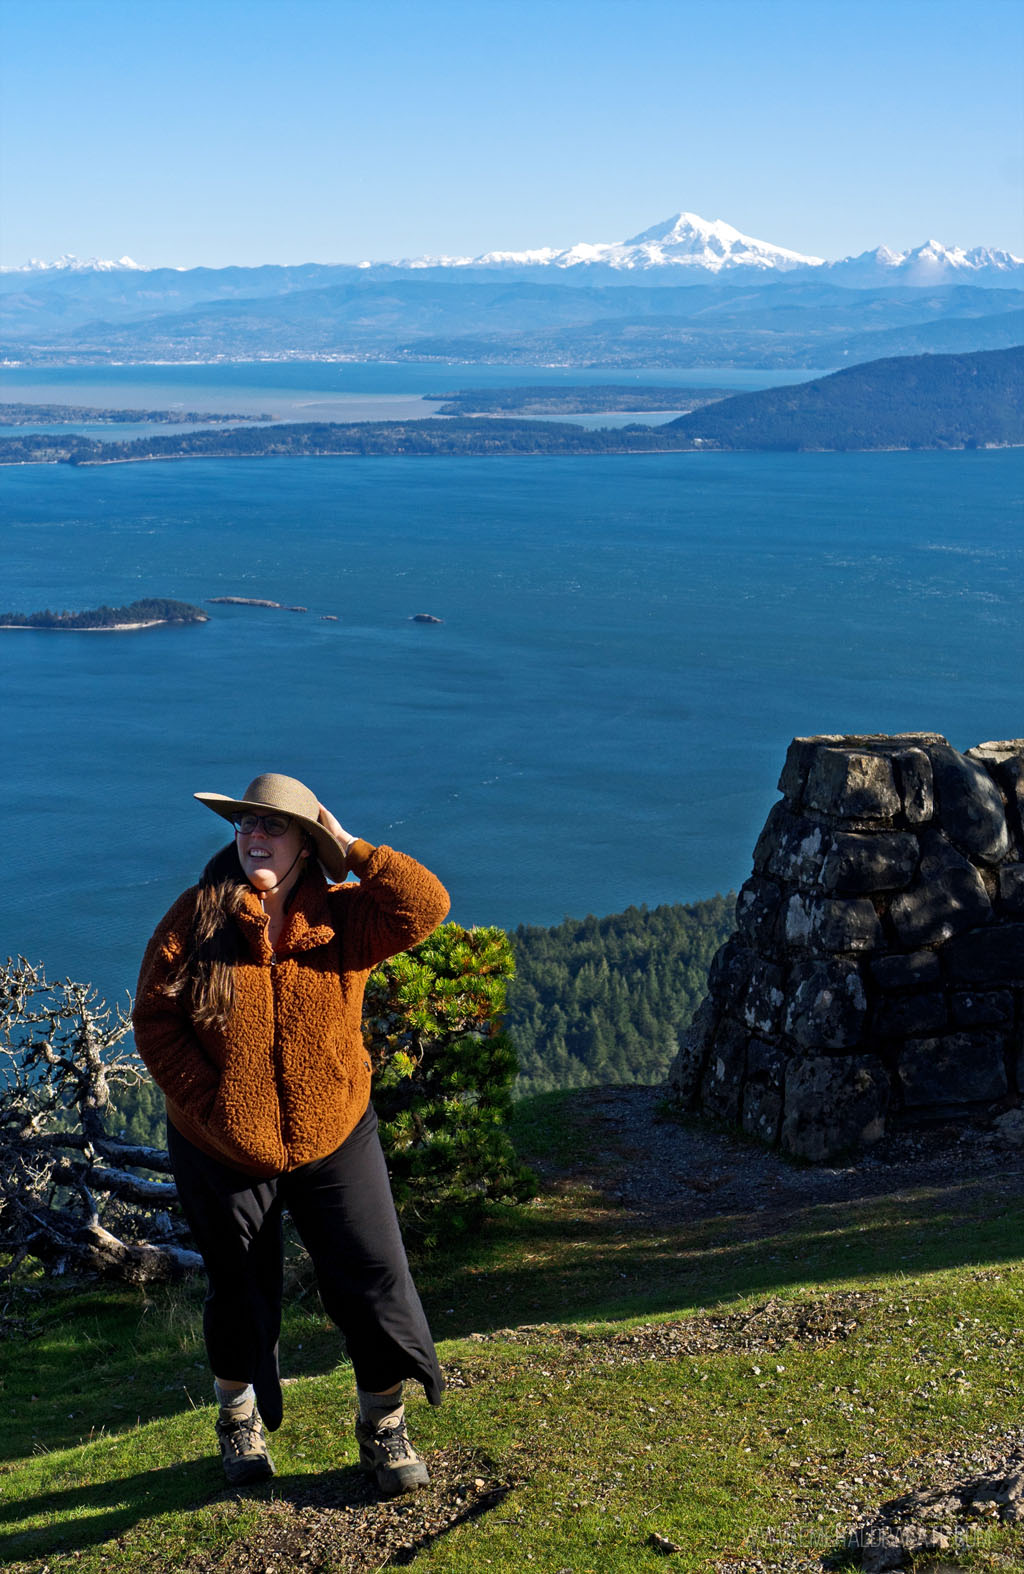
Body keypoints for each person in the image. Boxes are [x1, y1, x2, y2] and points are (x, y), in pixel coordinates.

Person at [133, 773, 450, 1494]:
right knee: (239, 1290)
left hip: (335, 1128)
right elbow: (156, 1022)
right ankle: (238, 1418)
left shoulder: (346, 917)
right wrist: (212, 1105)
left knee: (374, 1279)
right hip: (220, 1143)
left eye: (272, 826)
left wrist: (351, 847)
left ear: (307, 843)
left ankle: (383, 1425)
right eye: (244, 824)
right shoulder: (196, 918)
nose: (253, 836)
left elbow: (426, 905)